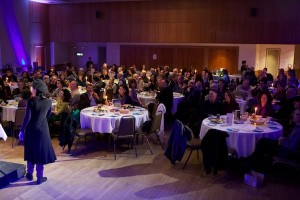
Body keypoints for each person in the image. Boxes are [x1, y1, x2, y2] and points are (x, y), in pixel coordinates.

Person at [247, 99, 300, 173]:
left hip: (288, 152)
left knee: (263, 143)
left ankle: (255, 164)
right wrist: (284, 138)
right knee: (263, 140)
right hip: (286, 147)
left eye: (297, 115)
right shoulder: (296, 126)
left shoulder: (298, 130)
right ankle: (254, 161)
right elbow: (291, 140)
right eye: (294, 114)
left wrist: (282, 141)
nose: (294, 116)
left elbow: (292, 147)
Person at [19, 79, 56, 184]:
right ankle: (40, 177)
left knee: (30, 150)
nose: (31, 89)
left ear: (36, 89)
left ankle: (29, 174)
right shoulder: (49, 101)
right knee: (40, 153)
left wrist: (22, 130)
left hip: (31, 129)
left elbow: (27, 118)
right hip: (43, 130)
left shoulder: (31, 101)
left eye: (32, 87)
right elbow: (48, 116)